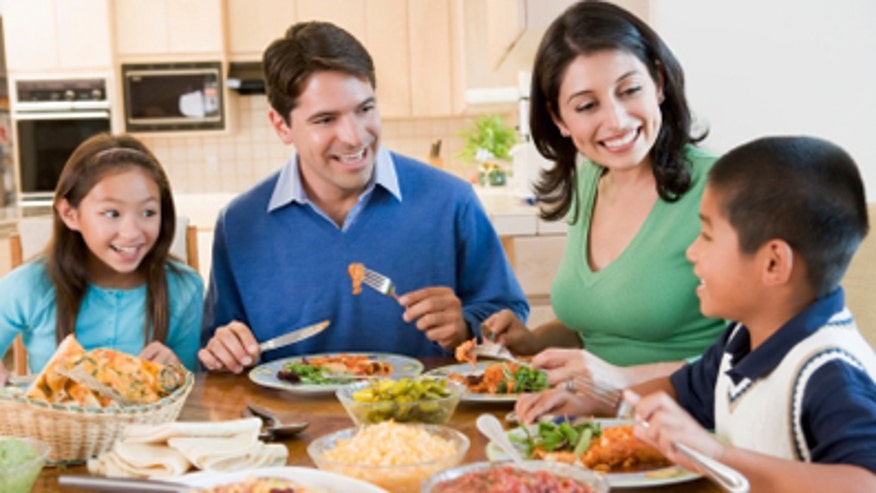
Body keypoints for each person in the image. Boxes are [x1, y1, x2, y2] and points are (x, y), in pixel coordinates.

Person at [529, 136, 876, 491]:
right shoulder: (742, 340)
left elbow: (865, 482)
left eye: (706, 236)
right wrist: (596, 401)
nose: (692, 252)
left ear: (773, 263)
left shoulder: (829, 371)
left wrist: (714, 454)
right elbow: (681, 391)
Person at [198, 21, 527, 373]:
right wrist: (223, 351)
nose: (354, 137)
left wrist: (465, 327)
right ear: (282, 126)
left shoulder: (451, 201)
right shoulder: (240, 224)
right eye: (325, 119)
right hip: (288, 425)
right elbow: (215, 350)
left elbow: (508, 316)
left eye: (365, 109)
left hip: (420, 422)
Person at [487, 0, 726, 411]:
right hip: (595, 421)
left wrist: (618, 385)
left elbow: (758, 361)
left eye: (629, 90)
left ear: (660, 82)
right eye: (586, 106)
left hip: (689, 432)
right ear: (559, 118)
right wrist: (533, 340)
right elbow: (604, 330)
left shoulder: (722, 187)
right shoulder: (589, 179)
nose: (615, 121)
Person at [0, 133, 204, 384]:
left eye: (148, 212)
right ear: (70, 213)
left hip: (152, 424)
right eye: (111, 213)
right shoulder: (31, 284)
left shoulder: (184, 287)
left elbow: (192, 389)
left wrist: (176, 372)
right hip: (54, 424)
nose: (131, 232)